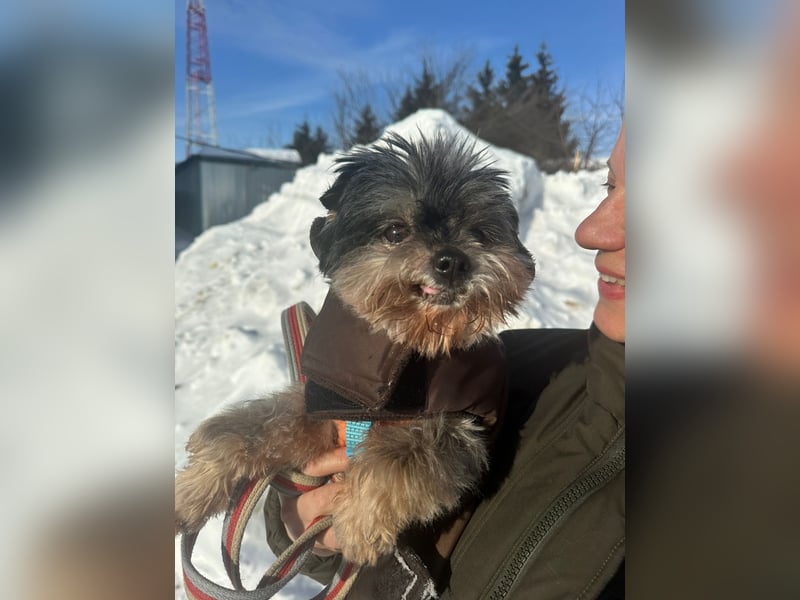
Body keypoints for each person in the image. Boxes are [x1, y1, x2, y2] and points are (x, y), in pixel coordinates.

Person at [265, 126, 626, 599]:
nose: (591, 231)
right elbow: (352, 548)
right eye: (611, 185)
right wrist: (303, 526)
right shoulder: (511, 365)